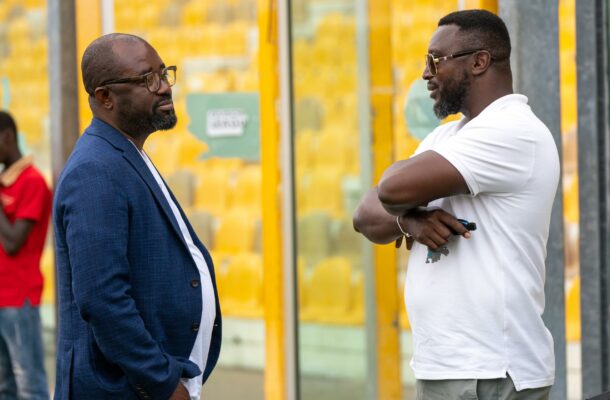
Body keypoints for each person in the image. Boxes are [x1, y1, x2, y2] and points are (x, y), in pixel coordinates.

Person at [353, 9, 558, 400]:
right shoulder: (448, 136)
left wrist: (399, 193)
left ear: (479, 61)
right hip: (445, 366)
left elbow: (391, 189)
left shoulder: (513, 130)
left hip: (493, 372)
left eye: (435, 60)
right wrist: (409, 223)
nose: (426, 74)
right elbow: (365, 217)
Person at [53, 33, 221, 400]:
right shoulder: (95, 171)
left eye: (164, 73)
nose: (163, 87)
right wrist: (162, 382)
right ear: (105, 97)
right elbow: (103, 300)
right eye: (148, 79)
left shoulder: (124, 154)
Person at [0, 110, 51, 400]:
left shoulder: (31, 181)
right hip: (1, 297)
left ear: (7, 137)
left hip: (19, 299)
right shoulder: (5, 183)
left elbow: (13, 243)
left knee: (29, 385)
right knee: (5, 387)